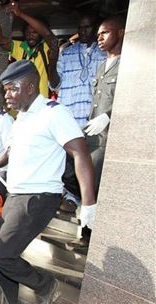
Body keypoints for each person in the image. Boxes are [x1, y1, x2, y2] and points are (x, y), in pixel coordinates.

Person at [0, 61, 96, 304]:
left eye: (11, 89)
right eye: (5, 90)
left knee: (1, 254)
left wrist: (88, 203)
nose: (6, 95)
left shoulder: (54, 113)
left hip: (38, 197)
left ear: (30, 87)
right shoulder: (23, 117)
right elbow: (11, 151)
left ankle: (45, 284)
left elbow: (80, 152)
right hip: (16, 194)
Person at [69, 15, 125, 249]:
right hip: (94, 136)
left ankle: (90, 235)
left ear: (120, 33)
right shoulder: (103, 65)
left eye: (105, 33)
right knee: (83, 180)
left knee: (97, 184)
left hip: (110, 137)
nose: (99, 37)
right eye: (99, 33)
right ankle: (86, 229)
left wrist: (109, 115)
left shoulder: (129, 64)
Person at [51, 15, 106, 213]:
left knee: (91, 164)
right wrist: (52, 57)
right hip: (70, 116)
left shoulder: (105, 53)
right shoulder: (67, 53)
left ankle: (89, 205)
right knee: (69, 165)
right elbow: (54, 84)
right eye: (80, 27)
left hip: (93, 119)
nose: (83, 31)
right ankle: (73, 199)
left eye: (88, 27)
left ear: (96, 28)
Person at [0, 0, 59, 97]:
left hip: (38, 106)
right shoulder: (20, 47)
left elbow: (51, 38)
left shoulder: (46, 47)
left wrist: (20, 14)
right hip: (18, 106)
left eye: (35, 32)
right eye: (28, 32)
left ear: (41, 33)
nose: (30, 35)